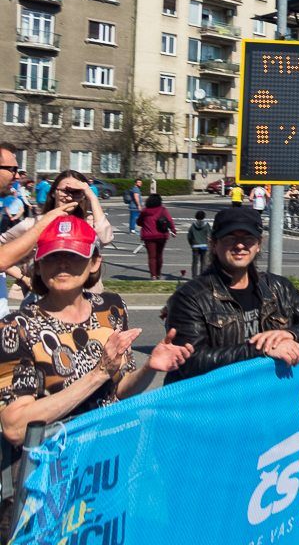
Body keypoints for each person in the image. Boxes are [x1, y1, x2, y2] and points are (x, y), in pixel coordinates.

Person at [0, 216, 192, 491]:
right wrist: (98, 373)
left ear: (94, 262)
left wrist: (150, 368)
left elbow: (119, 391)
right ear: (38, 265)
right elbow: (16, 428)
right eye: (53, 256)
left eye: (74, 255)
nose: (63, 264)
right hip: (48, 479)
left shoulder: (110, 307)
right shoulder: (16, 327)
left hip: (107, 466)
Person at [164, 208, 299, 382]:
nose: (240, 245)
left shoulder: (279, 286)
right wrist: (262, 349)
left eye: (248, 238)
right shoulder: (189, 297)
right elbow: (190, 362)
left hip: (265, 397)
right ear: (214, 245)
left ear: (258, 244)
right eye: (230, 238)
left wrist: (291, 334)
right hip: (216, 401)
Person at [1, 170, 115, 297]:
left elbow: (105, 238)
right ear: (54, 192)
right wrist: (22, 276)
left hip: (85, 295)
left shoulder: (89, 222)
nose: (70, 197)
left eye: (76, 192)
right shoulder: (34, 223)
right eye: (65, 191)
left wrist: (92, 197)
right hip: (44, 294)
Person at [138, 194, 177, 279]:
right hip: (161, 235)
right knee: (159, 255)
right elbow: (169, 221)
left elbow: (138, 222)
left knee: (151, 256)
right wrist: (173, 230)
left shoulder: (145, 212)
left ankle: (153, 275)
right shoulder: (163, 210)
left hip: (148, 236)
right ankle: (158, 274)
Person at [188, 210, 212, 279]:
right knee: (203, 262)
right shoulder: (206, 225)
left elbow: (189, 236)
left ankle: (194, 277)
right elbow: (209, 234)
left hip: (195, 245)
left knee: (195, 262)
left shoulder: (193, 225)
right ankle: (202, 276)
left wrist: (191, 243)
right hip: (204, 245)